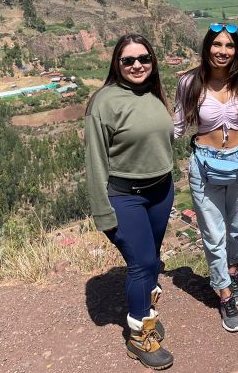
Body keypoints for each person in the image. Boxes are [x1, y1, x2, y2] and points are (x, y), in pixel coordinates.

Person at [85, 33, 174, 370]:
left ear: (152, 62)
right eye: (129, 60)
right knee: (143, 265)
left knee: (152, 261)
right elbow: (95, 162)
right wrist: (102, 211)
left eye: (144, 59)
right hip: (126, 197)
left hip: (161, 191)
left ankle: (146, 314)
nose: (138, 65)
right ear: (117, 64)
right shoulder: (104, 102)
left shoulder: (153, 94)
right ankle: (139, 336)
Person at [174, 22, 238, 333]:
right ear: (207, 47)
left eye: (229, 46)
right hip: (205, 164)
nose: (223, 51)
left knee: (236, 228)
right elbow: (178, 126)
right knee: (213, 233)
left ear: (236, 50)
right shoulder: (189, 82)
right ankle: (224, 293)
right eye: (217, 45)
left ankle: (232, 268)